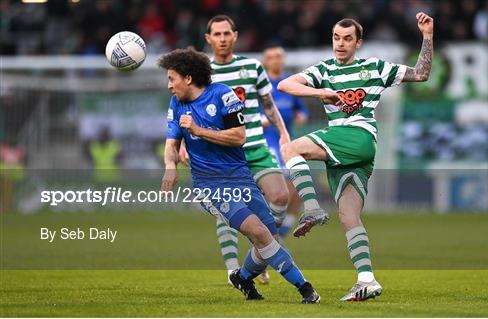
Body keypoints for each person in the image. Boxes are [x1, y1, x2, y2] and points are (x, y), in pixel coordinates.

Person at [278, 13, 434, 301]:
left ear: (358, 43)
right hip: (350, 152)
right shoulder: (324, 70)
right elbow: (285, 85)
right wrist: (320, 92)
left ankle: (311, 207)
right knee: (349, 217)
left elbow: (421, 73)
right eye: (336, 37)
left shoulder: (373, 67)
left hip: (358, 136)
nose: (340, 43)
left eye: (347, 39)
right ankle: (367, 279)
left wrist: (427, 36)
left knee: (289, 148)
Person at [159, 48, 320, 303]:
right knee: (258, 232)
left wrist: (199, 130)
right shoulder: (176, 104)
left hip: (241, 177)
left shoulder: (223, 95)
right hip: (209, 185)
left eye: (171, 78)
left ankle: (242, 277)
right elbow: (171, 143)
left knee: (269, 239)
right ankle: (305, 288)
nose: (169, 85)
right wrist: (170, 166)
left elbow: (239, 136)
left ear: (188, 78)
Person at [178, 15, 291, 284]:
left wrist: (284, 133)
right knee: (229, 209)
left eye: (227, 33)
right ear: (208, 39)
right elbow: (187, 109)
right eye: (216, 34)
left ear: (235, 36)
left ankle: (260, 252)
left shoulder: (252, 67)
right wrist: (182, 142)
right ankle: (233, 269)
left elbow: (268, 105)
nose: (222, 39)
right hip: (221, 153)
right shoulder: (203, 74)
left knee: (280, 196)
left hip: (254, 145)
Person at [261, 46, 309, 239]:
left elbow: (301, 109)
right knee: (278, 190)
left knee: (297, 189)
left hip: (287, 143)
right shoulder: (261, 86)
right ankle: (268, 232)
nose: (275, 60)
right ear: (266, 62)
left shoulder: (288, 84)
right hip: (267, 144)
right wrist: (260, 119)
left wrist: (301, 116)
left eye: (279, 56)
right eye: (271, 57)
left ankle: (282, 229)